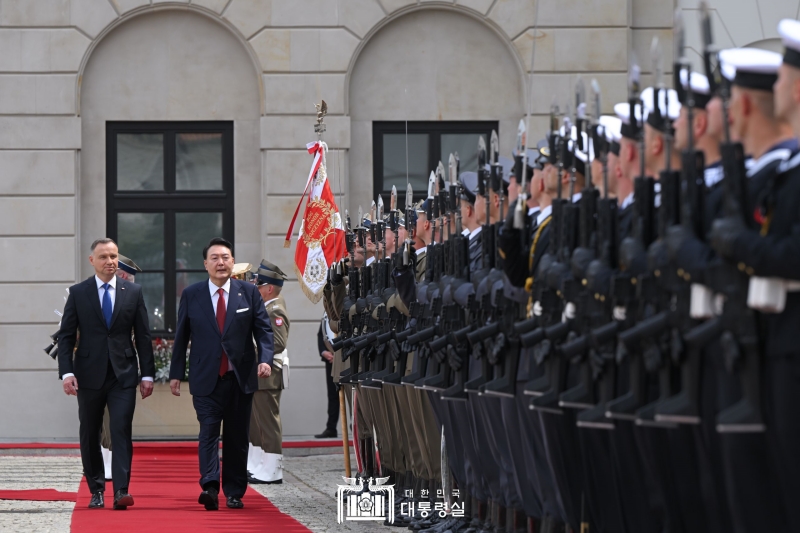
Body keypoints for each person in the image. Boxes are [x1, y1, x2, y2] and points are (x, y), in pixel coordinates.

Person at [169, 237, 274, 511]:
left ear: (232, 262)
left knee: (237, 437)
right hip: (207, 378)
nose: (221, 262)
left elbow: (263, 330)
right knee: (208, 433)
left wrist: (265, 359)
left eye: (225, 257)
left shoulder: (248, 293)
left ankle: (235, 491)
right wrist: (175, 374)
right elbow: (181, 337)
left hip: (240, 378)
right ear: (205, 264)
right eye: (214, 258)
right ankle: (210, 487)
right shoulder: (192, 295)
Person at [57, 238, 155, 510]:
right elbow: (66, 337)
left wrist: (147, 374)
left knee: (121, 429)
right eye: (104, 257)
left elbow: (144, 337)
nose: (110, 261)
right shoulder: (78, 293)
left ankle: (121, 490)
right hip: (88, 375)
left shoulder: (133, 292)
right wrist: (66, 373)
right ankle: (96, 490)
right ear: (92, 261)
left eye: (113, 256)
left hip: (123, 375)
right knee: (90, 432)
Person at [100, 253, 143, 481]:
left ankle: (111, 463)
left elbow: (140, 336)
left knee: (116, 421)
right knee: (99, 420)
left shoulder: (129, 296)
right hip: (96, 368)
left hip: (121, 369)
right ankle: (104, 459)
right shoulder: (93, 293)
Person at [248, 260, 290, 484]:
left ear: (269, 288)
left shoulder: (276, 310)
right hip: (261, 373)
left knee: (267, 423)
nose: (256, 289)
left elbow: (277, 343)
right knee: (257, 424)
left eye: (259, 286)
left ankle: (273, 470)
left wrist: (250, 347)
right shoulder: (267, 307)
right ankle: (259, 465)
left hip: (269, 373)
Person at [315, 313, 339, 439]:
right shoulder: (326, 314)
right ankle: (331, 427)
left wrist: (339, 355)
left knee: (352, 396)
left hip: (346, 359)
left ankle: (355, 426)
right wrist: (324, 352)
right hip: (330, 361)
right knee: (333, 395)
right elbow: (321, 334)